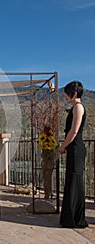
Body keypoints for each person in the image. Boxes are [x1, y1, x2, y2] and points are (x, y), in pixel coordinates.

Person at [58, 81, 88, 228]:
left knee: (75, 183)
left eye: (66, 93)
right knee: (71, 182)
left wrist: (63, 147)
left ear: (74, 93)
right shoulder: (75, 108)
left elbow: (74, 131)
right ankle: (70, 218)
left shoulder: (78, 108)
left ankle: (75, 218)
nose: (65, 96)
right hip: (73, 149)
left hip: (76, 149)